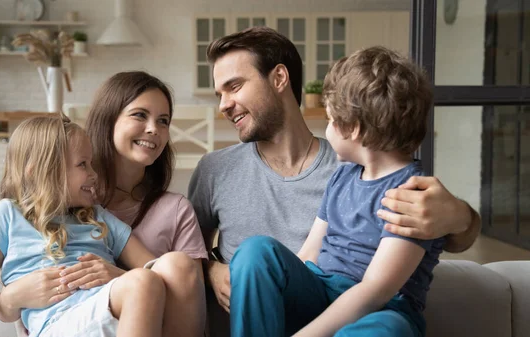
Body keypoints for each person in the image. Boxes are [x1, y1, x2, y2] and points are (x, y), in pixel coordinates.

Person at [187, 26, 480, 336]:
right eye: (220, 94)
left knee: (388, 327)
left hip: (366, 314)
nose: (222, 105)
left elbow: (383, 284)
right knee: (255, 249)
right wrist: (211, 271)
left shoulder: (386, 183)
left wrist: (460, 215)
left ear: (279, 78)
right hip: (305, 297)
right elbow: (185, 249)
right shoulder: (215, 169)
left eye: (234, 86)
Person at [231, 45, 443, 337]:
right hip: (321, 292)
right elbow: (309, 253)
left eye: (330, 120)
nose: (326, 129)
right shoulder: (342, 176)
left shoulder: (413, 195)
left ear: (353, 128)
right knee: (257, 250)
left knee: (389, 329)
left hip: (380, 310)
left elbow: (374, 291)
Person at [0, 72, 207, 336]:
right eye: (140, 115)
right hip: (65, 323)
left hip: (146, 316)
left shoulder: (176, 210)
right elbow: (19, 269)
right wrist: (7, 299)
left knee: (178, 265)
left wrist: (118, 275)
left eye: (163, 121)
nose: (154, 128)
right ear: (108, 120)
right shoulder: (70, 197)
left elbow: (189, 296)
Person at [0, 115, 203, 337]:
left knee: (168, 268)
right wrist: (7, 301)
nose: (93, 174)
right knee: (141, 282)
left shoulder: (98, 217)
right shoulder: (7, 215)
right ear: (41, 172)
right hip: (58, 323)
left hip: (112, 316)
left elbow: (157, 274)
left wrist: (118, 276)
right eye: (83, 164)